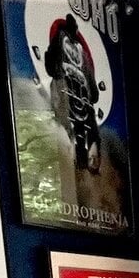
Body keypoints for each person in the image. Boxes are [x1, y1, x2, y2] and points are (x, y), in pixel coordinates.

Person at [44, 13, 102, 174]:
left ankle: (83, 160)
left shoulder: (79, 49)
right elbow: (53, 67)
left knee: (81, 129)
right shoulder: (62, 41)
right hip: (70, 93)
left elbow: (89, 76)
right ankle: (81, 160)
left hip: (79, 97)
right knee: (77, 130)